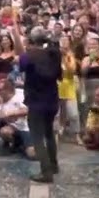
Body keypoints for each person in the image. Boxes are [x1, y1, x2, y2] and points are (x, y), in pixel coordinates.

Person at [19, 27, 63, 183]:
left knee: (37, 137)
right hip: (52, 99)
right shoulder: (54, 54)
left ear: (31, 40)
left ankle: (46, 172)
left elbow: (21, 68)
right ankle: (53, 164)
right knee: (49, 133)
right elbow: (59, 75)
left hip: (36, 100)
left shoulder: (28, 56)